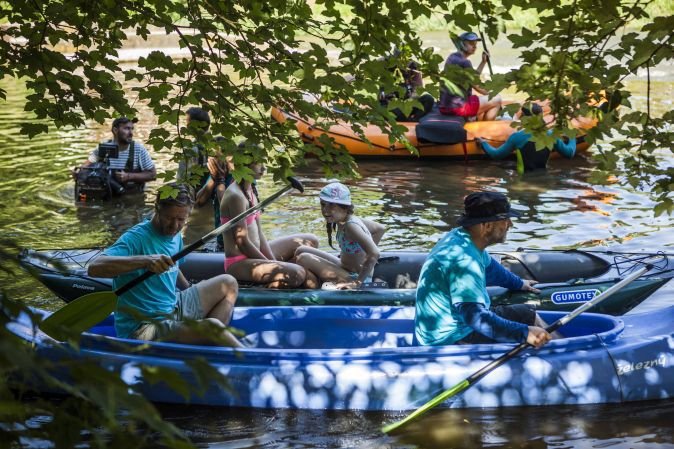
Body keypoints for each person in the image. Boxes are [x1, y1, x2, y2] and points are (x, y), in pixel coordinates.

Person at [87, 183, 242, 347]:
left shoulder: (175, 235)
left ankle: (206, 346)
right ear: (157, 209)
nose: (175, 226)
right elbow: (94, 267)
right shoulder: (135, 238)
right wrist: (146, 261)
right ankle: (247, 357)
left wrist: (188, 287)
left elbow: (174, 268)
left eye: (181, 219)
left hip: (172, 306)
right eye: (169, 218)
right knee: (213, 327)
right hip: (144, 328)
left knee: (229, 283)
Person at [415, 191, 559, 347]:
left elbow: (491, 268)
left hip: (453, 326)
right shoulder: (464, 260)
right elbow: (474, 317)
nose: (510, 224)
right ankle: (563, 353)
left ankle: (559, 349)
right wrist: (524, 333)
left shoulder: (462, 238)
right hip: (451, 338)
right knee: (527, 327)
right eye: (505, 220)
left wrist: (519, 283)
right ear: (487, 225)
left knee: (528, 314)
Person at [219, 147, 319, 288]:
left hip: (256, 253)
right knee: (297, 274)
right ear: (244, 164)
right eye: (259, 163)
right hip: (239, 262)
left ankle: (285, 272)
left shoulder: (250, 189)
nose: (264, 168)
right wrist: (275, 265)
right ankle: (264, 286)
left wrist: (273, 262)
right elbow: (242, 242)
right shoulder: (235, 196)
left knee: (311, 240)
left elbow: (260, 233)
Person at [295, 182, 385, 290]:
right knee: (301, 249)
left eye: (332, 205)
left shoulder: (351, 226)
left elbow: (375, 253)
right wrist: (363, 254)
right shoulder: (346, 219)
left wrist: (358, 282)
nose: (325, 210)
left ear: (345, 207)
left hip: (354, 277)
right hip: (343, 266)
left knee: (303, 258)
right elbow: (380, 229)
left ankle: (314, 287)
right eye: (323, 204)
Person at [475, 104, 577, 174]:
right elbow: (569, 153)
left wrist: (483, 143)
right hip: (544, 179)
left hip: (522, 179)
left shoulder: (517, 137)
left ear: (523, 118)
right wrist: (572, 136)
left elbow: (496, 155)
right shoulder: (551, 135)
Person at [75, 116, 156, 192]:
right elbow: (85, 167)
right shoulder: (103, 147)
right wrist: (78, 173)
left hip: (131, 197)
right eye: (127, 128)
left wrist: (128, 176)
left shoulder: (139, 149)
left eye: (132, 129)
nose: (131, 133)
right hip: (108, 195)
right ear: (115, 130)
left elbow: (152, 175)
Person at [438, 31, 502, 121]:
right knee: (497, 99)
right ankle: (487, 128)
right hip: (458, 107)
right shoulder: (465, 62)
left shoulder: (452, 57)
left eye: (475, 44)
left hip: (446, 106)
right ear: (461, 44)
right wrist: (492, 94)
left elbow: (472, 78)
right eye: (471, 43)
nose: (475, 46)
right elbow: (477, 86)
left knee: (483, 99)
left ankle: (479, 121)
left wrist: (483, 62)